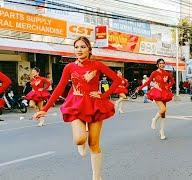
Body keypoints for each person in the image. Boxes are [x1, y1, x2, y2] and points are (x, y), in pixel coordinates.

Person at [33, 36, 121, 180]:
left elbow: (117, 80)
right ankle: (81, 142)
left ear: (89, 49)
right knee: (80, 139)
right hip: (75, 104)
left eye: (83, 47)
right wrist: (45, 109)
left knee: (93, 143)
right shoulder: (69, 67)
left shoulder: (97, 65)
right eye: (76, 47)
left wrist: (104, 96)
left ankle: (97, 177)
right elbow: (60, 87)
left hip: (94, 104)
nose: (79, 50)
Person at [136, 58, 174, 140]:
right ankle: (154, 119)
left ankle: (162, 131)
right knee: (163, 109)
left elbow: (172, 81)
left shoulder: (167, 73)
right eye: (160, 63)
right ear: (157, 64)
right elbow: (148, 82)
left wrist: (168, 86)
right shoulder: (154, 73)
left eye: (163, 63)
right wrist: (140, 88)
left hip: (165, 93)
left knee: (163, 113)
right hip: (157, 92)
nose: (162, 64)